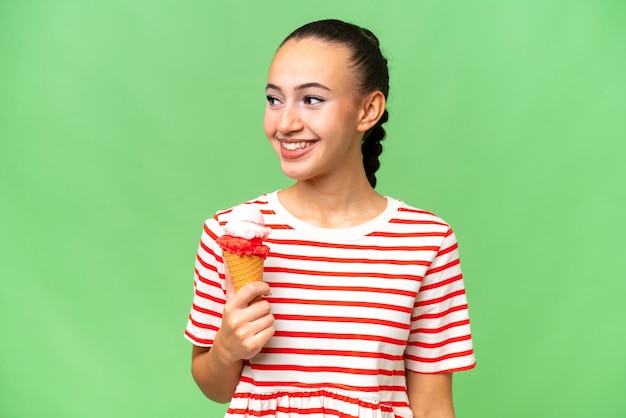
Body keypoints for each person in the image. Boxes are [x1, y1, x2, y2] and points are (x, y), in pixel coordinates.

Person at [184, 19, 476, 418]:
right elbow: (214, 387)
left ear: (368, 109)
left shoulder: (427, 241)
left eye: (312, 100)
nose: (285, 123)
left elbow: (432, 405)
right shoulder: (230, 230)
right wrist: (227, 349)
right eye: (274, 99)